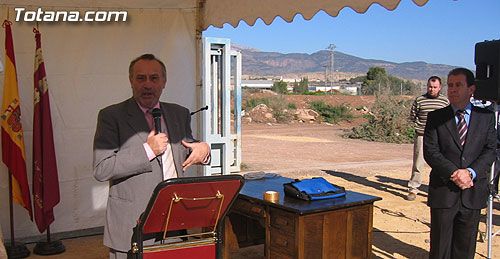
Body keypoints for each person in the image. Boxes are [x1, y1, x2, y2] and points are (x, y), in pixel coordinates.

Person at [93, 54, 210, 259]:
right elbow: (102, 168)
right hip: (131, 227)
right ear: (131, 81)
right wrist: (147, 151)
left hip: (174, 224)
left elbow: (186, 147)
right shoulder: (111, 116)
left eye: (154, 78)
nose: (147, 84)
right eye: (141, 78)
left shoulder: (179, 114)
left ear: (164, 82)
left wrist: (203, 150)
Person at [424, 68, 496, 258]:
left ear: (471, 89)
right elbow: (430, 152)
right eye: (450, 85)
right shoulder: (436, 117)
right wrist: (455, 173)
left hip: (472, 192)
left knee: (465, 248)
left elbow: (491, 150)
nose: (453, 89)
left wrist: (471, 172)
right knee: (440, 249)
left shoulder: (486, 117)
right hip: (444, 191)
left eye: (458, 85)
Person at [407, 76, 449, 201]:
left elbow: (448, 119)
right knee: (418, 163)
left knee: (440, 163)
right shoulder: (420, 100)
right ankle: (413, 189)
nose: (432, 89)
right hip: (422, 135)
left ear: (440, 87)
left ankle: (439, 190)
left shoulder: (444, 102)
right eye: (430, 87)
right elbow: (413, 115)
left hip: (439, 137)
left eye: (435, 87)